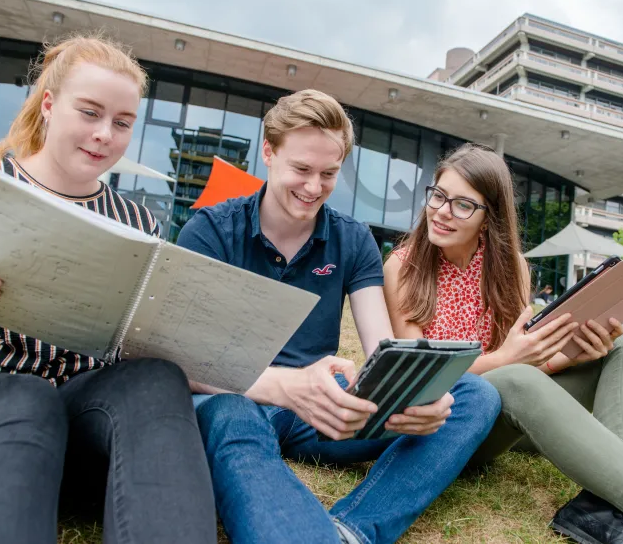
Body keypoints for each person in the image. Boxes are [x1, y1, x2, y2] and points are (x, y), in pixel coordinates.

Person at [383, 143, 623, 544]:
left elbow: (526, 365)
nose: (441, 211)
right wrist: (506, 358)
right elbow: (421, 377)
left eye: (462, 204)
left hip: (513, 410)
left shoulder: (513, 270)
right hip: (454, 424)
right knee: (513, 380)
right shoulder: (404, 267)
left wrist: (567, 355)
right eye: (438, 195)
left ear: (489, 219)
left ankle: (603, 506)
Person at [177, 90, 501, 544]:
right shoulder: (210, 231)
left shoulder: (353, 239)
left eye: (329, 174)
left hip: (322, 409)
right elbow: (179, 356)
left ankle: (352, 529)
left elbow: (382, 351)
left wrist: (413, 397)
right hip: (234, 393)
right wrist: (283, 386)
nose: (314, 188)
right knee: (233, 419)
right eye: (302, 170)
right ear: (268, 153)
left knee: (473, 394)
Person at [0, 35, 217, 544]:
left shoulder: (137, 224)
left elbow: (137, 348)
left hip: (82, 424)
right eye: (89, 112)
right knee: (25, 394)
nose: (105, 134)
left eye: (123, 123)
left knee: (156, 377)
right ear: (48, 105)